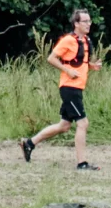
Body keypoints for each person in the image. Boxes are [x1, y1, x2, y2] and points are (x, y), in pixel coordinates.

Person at [21, 9, 102, 170]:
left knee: (64, 126)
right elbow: (51, 58)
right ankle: (82, 163)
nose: (89, 24)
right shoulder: (68, 40)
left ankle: (29, 143)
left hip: (77, 88)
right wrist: (67, 71)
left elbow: (79, 62)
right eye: (85, 21)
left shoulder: (85, 40)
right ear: (76, 23)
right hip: (69, 88)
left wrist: (92, 66)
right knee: (83, 123)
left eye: (89, 21)